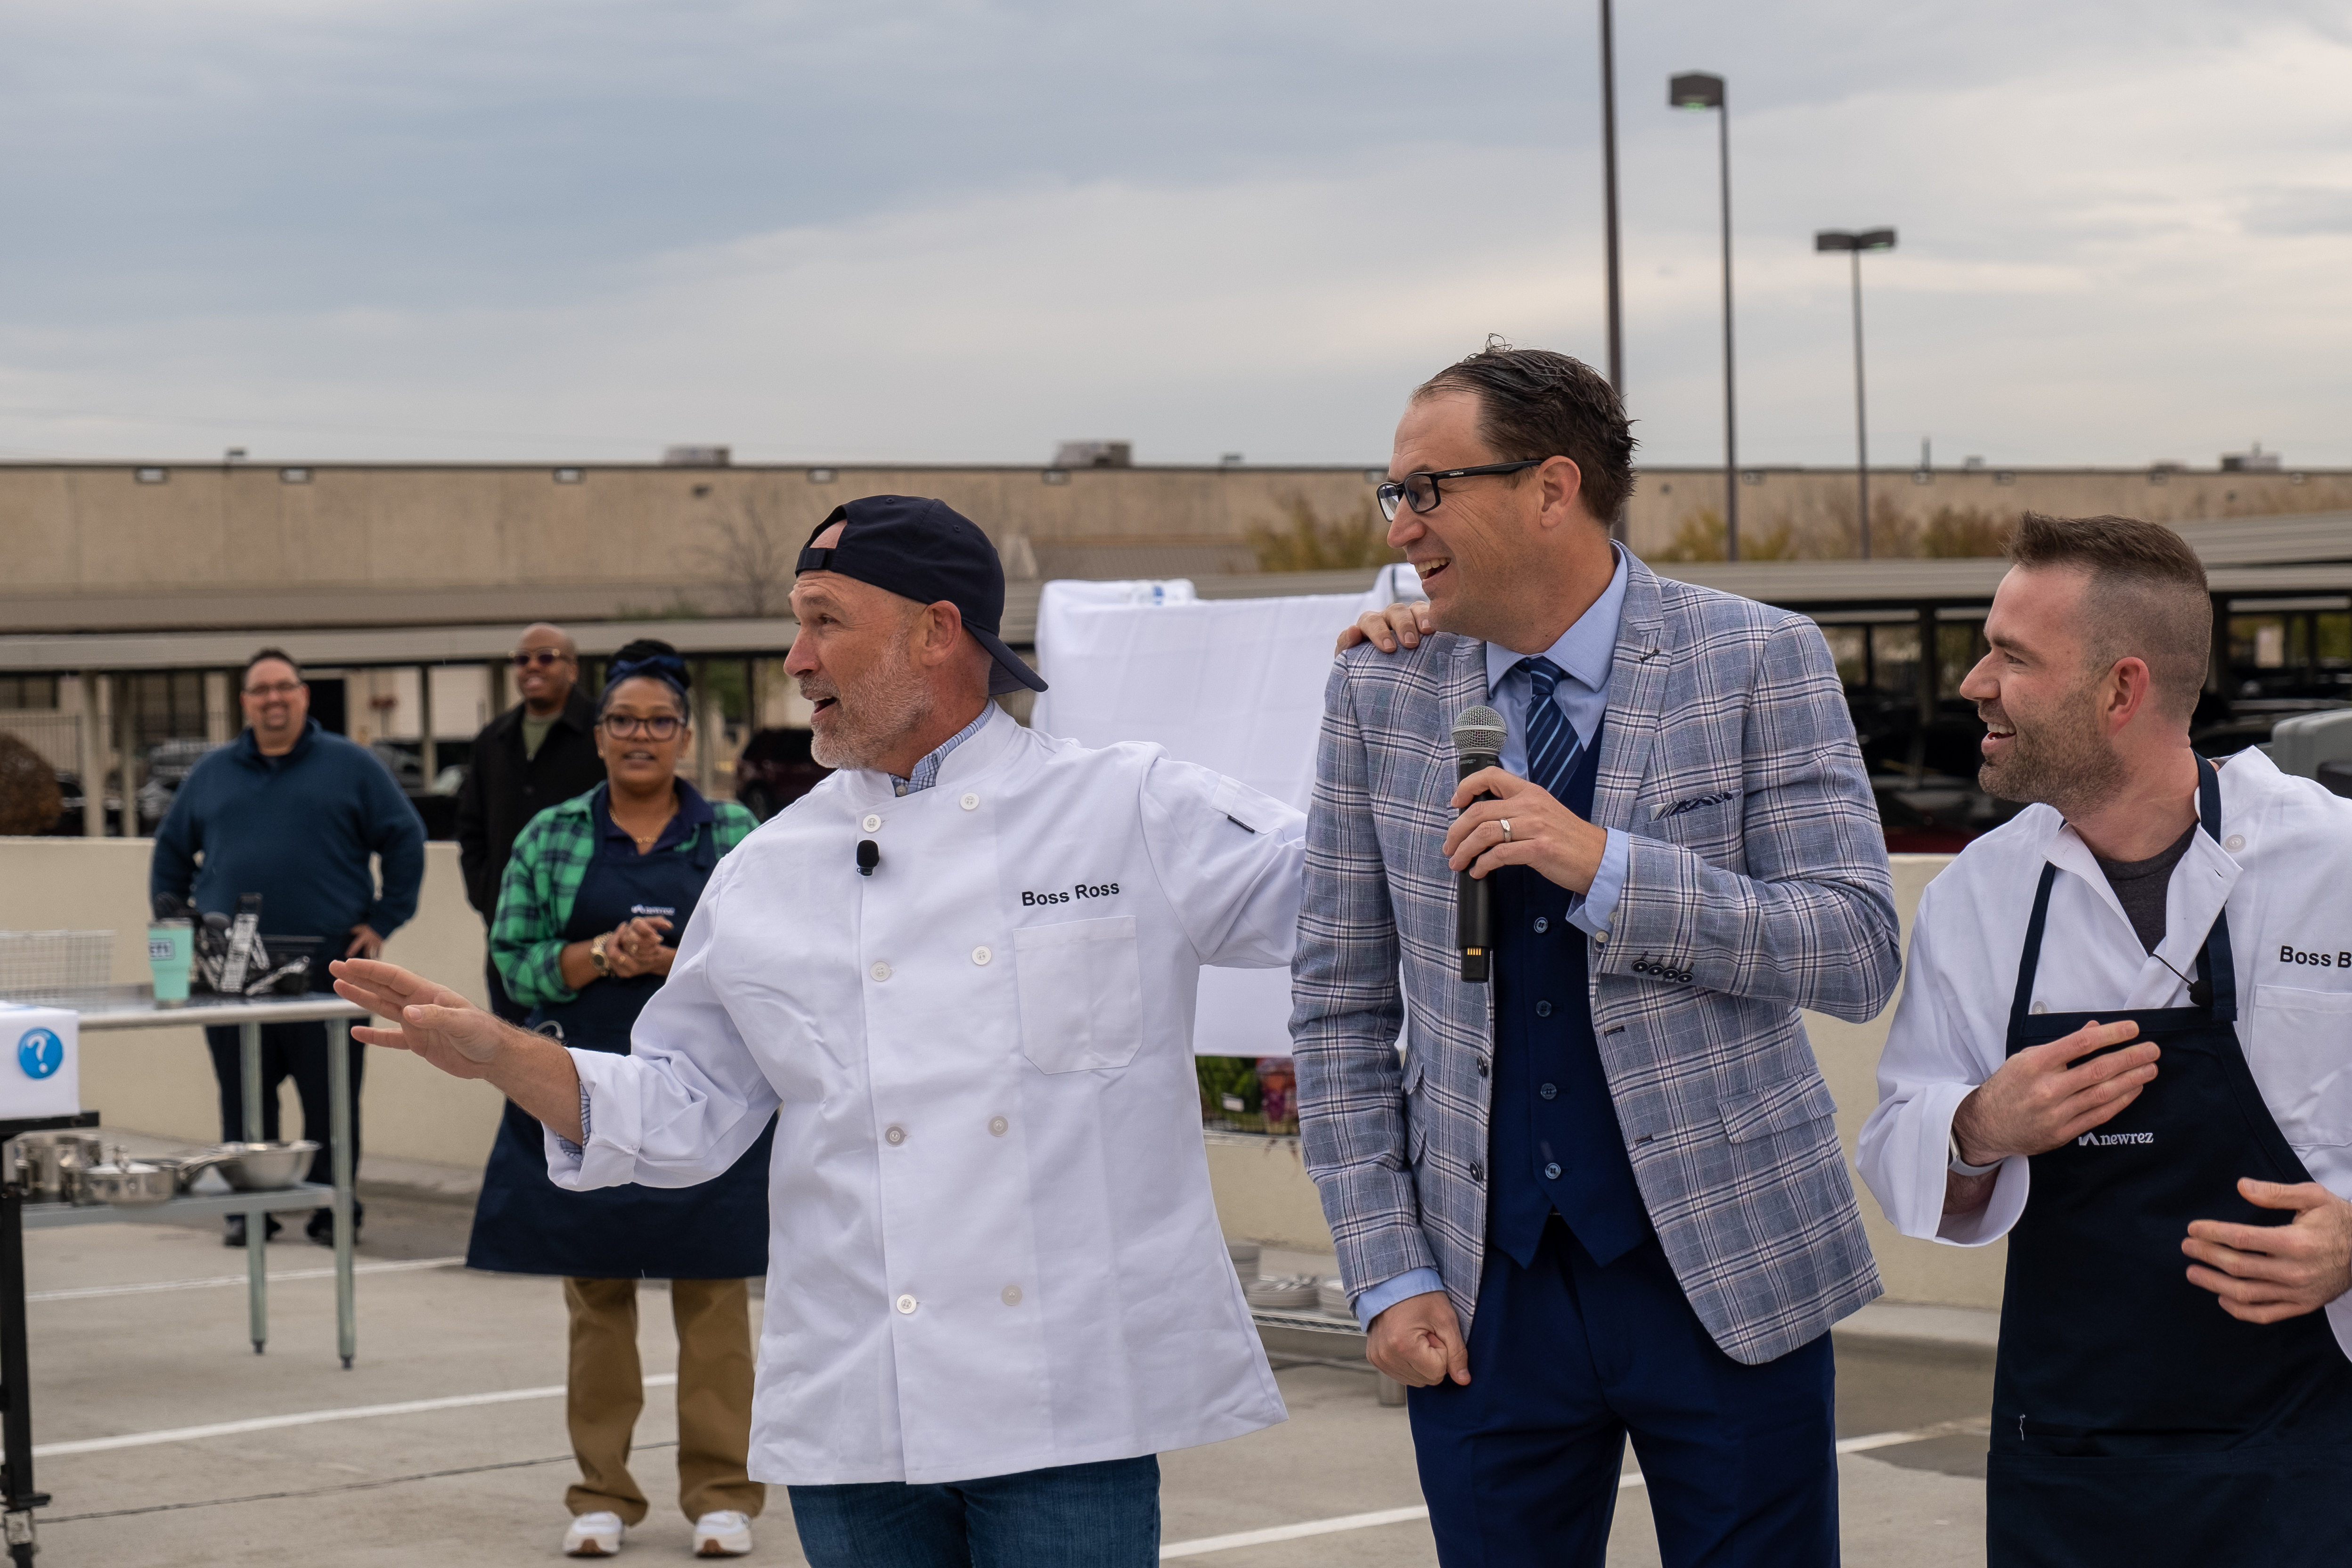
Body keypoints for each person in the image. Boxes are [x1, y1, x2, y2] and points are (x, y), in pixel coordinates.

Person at [333, 494, 1302, 1568]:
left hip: (1067, 1398)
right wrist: (503, 1053)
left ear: (938, 630)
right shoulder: (766, 870)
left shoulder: (1130, 807)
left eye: (824, 619)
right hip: (857, 1406)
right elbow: (686, 1108)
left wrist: (1411, 680)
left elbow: (1359, 900)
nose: (796, 659)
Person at [1293, 342, 1899, 1566]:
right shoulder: (1382, 690)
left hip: (1731, 1275)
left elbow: (1854, 945)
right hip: (1479, 1290)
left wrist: (1608, 868)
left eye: (1428, 489)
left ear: (1551, 489)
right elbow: (1338, 1009)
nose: (1402, 524)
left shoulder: (1758, 658)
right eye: (1393, 493)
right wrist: (1381, 1268)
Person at [1857, 514, 2352, 1566]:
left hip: (2314, 1451)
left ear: (2121, 689)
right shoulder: (1976, 898)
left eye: (2012, 657)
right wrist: (1980, 1124)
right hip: (2071, 1466)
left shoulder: (2335, 866)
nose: (1973, 683)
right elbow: (1902, 1147)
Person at [473, 637, 771, 1560]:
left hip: (708, 1103)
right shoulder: (551, 835)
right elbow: (512, 964)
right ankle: (602, 1491)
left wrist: (677, 965)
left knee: (714, 1297)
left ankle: (723, 1494)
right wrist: (603, 955)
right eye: (624, 720)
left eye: (660, 720)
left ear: (686, 736)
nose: (642, 735)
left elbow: (772, 964)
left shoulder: (737, 837)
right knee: (598, 1297)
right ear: (598, 734)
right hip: (587, 1095)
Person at [152, 647, 425, 1245]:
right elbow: (170, 854)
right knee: (244, 1100)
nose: (273, 699)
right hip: (228, 974)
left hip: (326, 966)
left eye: (284, 688)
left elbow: (405, 838)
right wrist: (176, 929)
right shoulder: (212, 772)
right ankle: (250, 1212)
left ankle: (336, 1210)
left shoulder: (352, 766)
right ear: (245, 702)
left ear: (303, 695)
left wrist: (384, 918)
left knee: (331, 1100)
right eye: (260, 691)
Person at [456, 623, 607, 1024]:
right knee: (514, 1066)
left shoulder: (603, 732)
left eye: (546, 657)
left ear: (573, 669)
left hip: (588, 935)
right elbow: (471, 830)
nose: (531, 667)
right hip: (513, 936)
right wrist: (487, 897)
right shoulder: (493, 740)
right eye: (522, 660)